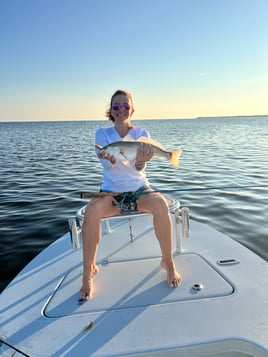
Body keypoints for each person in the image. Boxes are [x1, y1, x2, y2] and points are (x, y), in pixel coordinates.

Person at [80, 89, 181, 301]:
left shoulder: (141, 134)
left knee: (161, 205)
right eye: (116, 106)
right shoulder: (103, 135)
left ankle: (168, 262)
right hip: (111, 191)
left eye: (125, 106)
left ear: (132, 109)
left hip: (139, 189)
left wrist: (141, 161)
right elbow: (106, 162)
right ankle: (88, 270)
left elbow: (139, 168)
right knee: (91, 212)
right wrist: (110, 159)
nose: (121, 110)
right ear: (111, 111)